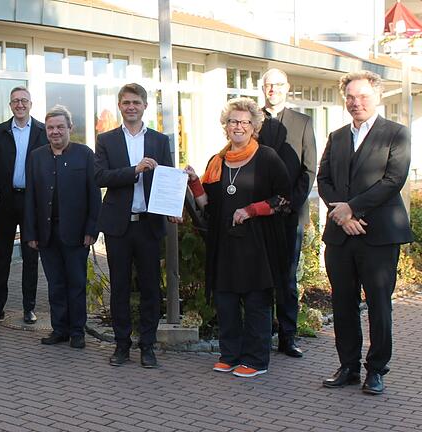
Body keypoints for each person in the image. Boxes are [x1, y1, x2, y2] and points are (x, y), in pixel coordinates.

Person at [318, 71, 411, 395]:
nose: (356, 103)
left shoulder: (396, 134)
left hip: (378, 235)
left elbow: (392, 181)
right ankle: (348, 366)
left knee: (378, 305)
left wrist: (352, 209)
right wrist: (341, 216)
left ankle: (376, 370)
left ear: (378, 97)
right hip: (341, 235)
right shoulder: (338, 135)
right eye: (351, 97)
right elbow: (323, 178)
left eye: (363, 97)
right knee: (342, 304)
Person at [186, 97, 290, 378]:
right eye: (233, 121)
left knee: (256, 301)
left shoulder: (267, 157)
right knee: (226, 300)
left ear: (254, 126)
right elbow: (208, 203)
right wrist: (195, 181)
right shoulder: (217, 161)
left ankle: (256, 360)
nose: (238, 126)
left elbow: (284, 198)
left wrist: (251, 209)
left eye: (244, 122)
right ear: (226, 126)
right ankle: (229, 355)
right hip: (225, 243)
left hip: (257, 243)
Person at [94, 83, 175, 368]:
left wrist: (174, 206)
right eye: (126, 102)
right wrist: (134, 171)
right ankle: (121, 345)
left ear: (145, 106)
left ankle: (148, 346)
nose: (131, 107)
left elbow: (167, 178)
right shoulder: (106, 140)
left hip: (149, 225)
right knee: (119, 288)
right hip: (119, 226)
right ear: (120, 106)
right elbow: (100, 177)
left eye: (136, 102)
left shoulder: (159, 140)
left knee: (151, 288)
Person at [24, 105, 100, 349]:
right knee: (55, 283)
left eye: (59, 127)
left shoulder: (85, 154)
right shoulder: (36, 156)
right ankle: (60, 329)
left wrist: (91, 229)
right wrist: (31, 233)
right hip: (46, 234)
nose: (55, 132)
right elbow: (31, 198)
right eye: (50, 128)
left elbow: (93, 195)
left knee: (76, 283)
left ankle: (77, 332)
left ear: (70, 128)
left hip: (77, 234)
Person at [258, 68, 317, 358]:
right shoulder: (252, 119)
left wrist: (288, 203)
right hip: (258, 212)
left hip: (290, 213)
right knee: (261, 274)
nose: (273, 90)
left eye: (279, 85)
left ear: (287, 87)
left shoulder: (303, 122)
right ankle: (262, 331)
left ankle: (288, 335)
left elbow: (309, 169)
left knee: (287, 277)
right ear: (263, 88)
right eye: (269, 85)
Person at [0, 86, 47, 325]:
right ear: (10, 105)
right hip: (6, 201)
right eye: (15, 101)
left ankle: (28, 308)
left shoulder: (42, 131)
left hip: (32, 202)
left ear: (31, 104)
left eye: (24, 100)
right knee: (2, 255)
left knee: (31, 256)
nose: (19, 105)